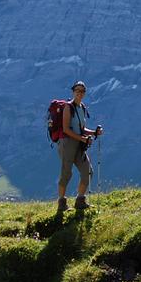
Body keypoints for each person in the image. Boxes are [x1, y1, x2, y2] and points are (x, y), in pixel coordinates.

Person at [57, 80, 102, 212]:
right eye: (77, 90)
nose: (80, 93)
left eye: (82, 91)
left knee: (88, 171)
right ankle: (61, 203)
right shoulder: (68, 107)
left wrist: (94, 132)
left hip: (78, 143)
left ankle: (80, 201)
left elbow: (81, 129)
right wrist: (82, 139)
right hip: (67, 143)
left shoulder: (82, 107)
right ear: (73, 92)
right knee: (66, 172)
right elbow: (66, 129)